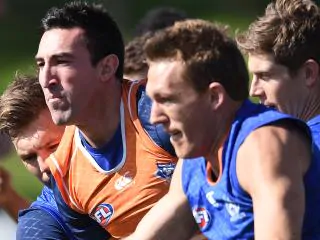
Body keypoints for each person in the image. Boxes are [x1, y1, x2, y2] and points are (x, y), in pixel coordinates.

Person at [124, 19, 320, 239]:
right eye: (153, 101)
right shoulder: (194, 156)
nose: (154, 117)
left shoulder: (263, 146)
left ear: (214, 97)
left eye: (167, 100)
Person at [35, 1, 177, 238]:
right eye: (41, 64)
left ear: (107, 67)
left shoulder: (159, 115)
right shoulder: (64, 174)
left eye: (62, 62)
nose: (46, 79)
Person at [0, 74, 109, 239]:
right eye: (29, 157)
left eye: (53, 146)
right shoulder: (39, 222)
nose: (44, 165)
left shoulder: (144, 153)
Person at [236, 0, 320, 148]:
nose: (253, 91)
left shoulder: (302, 151)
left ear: (309, 74)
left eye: (265, 76)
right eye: (253, 77)